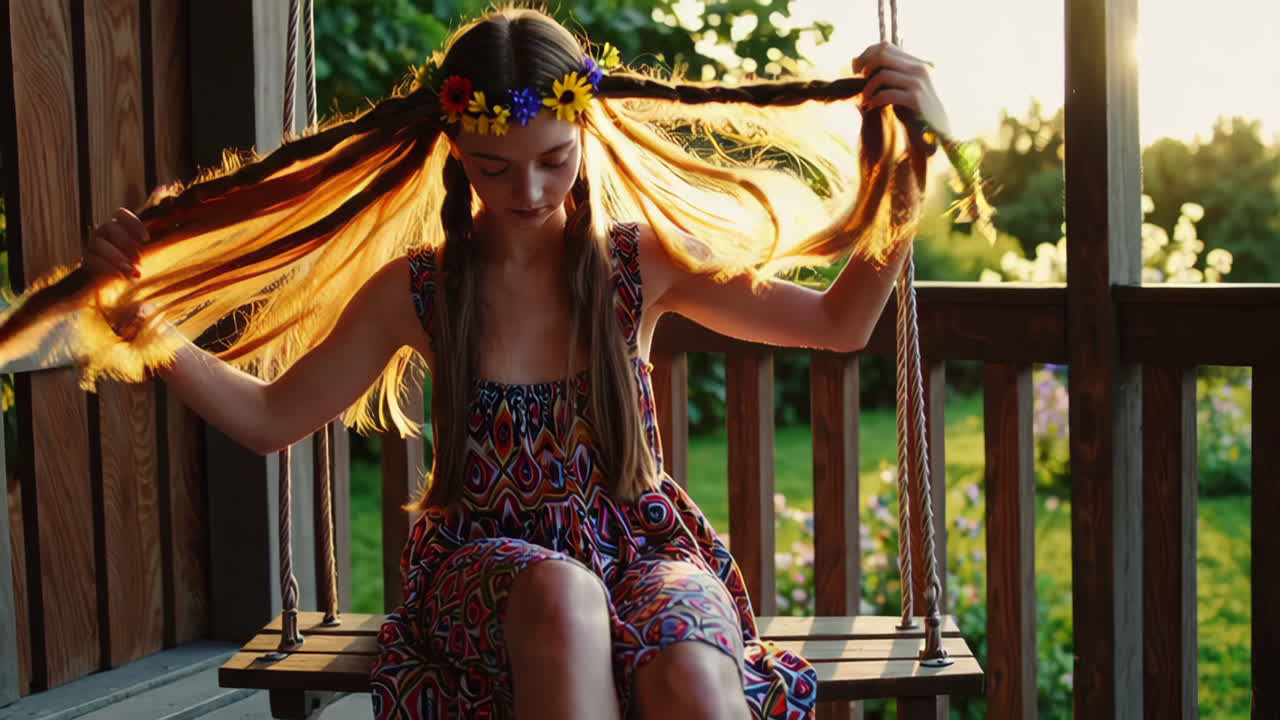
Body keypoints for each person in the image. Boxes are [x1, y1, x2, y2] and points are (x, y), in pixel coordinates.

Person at [4, 6, 955, 719]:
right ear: (455, 148)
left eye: (553, 159)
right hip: (487, 567)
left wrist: (911, 165)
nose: (528, 190)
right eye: (494, 167)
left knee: (693, 676)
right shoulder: (423, 291)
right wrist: (146, 329)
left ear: (585, 132)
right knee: (561, 596)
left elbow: (839, 324)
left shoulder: (639, 264)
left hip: (645, 548)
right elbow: (269, 420)